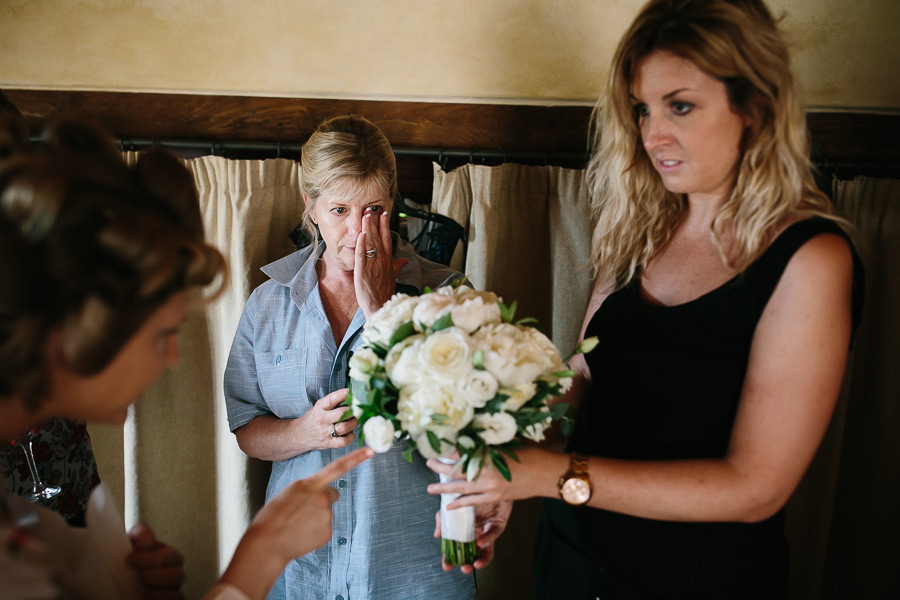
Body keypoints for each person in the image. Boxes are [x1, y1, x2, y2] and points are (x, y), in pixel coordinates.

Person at [426, 0, 864, 598]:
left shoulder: (810, 258)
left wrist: (554, 477)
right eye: (642, 109)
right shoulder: (640, 227)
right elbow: (578, 381)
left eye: (680, 106)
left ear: (756, 106)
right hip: (569, 559)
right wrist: (504, 480)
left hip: (696, 578)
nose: (653, 135)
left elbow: (755, 487)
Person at [0, 116, 373, 600]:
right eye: (163, 334)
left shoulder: (61, 447)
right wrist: (262, 553)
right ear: (71, 333)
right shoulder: (269, 301)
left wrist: (108, 578)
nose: (174, 357)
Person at [224, 114, 501, 600]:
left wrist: (380, 312)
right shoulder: (268, 303)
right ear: (310, 207)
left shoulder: (451, 296)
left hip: (410, 569)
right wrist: (301, 433)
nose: (357, 230)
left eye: (373, 209)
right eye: (338, 210)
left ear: (392, 204)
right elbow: (247, 428)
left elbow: (472, 433)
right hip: (301, 571)